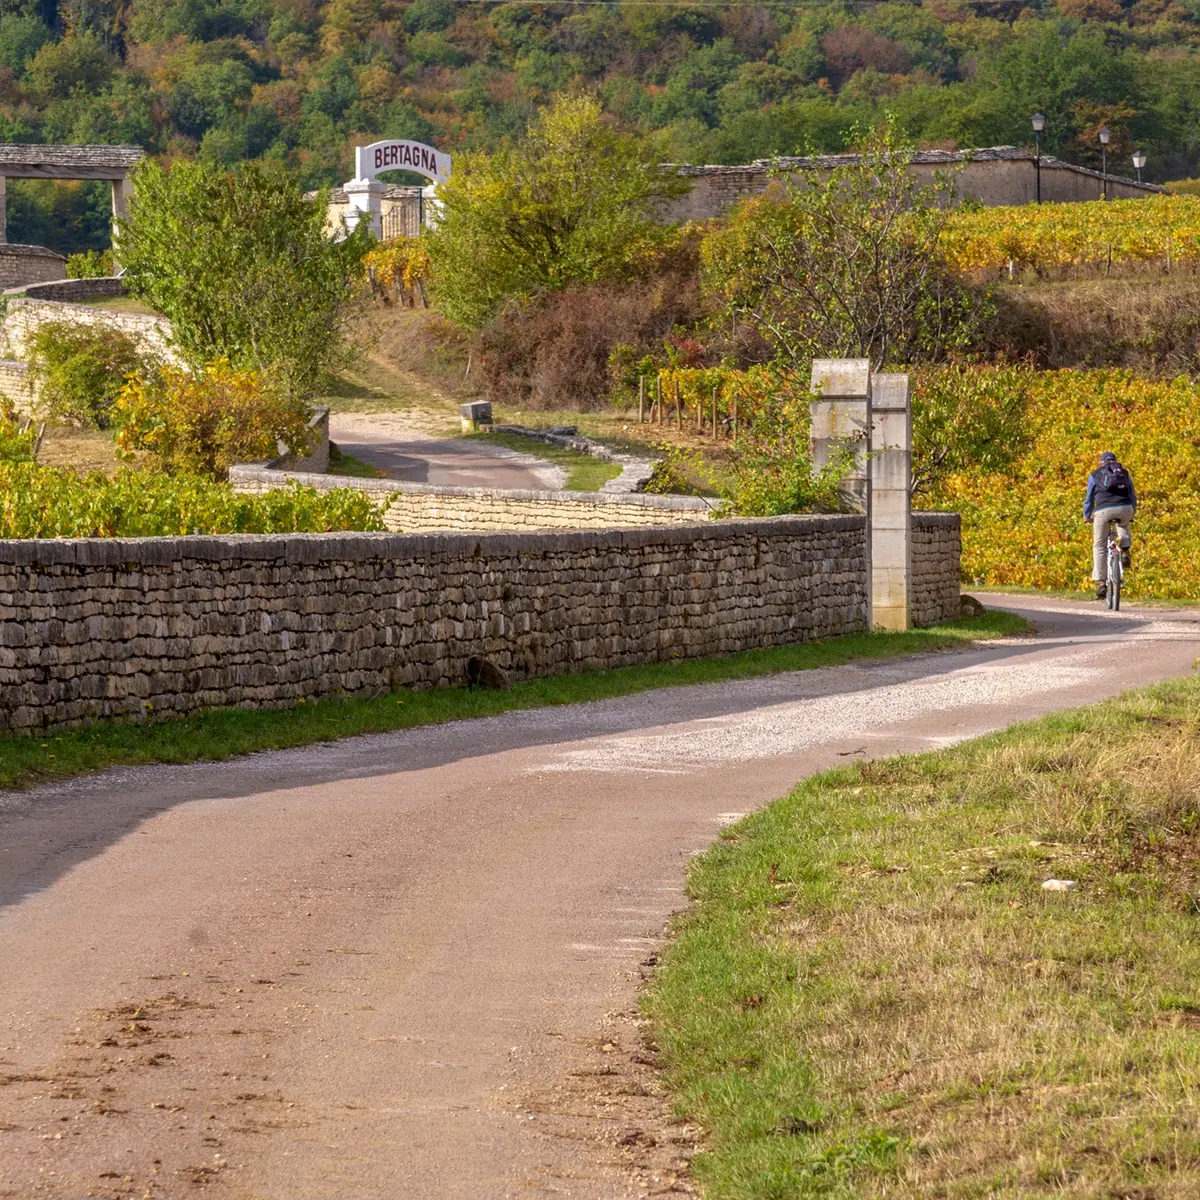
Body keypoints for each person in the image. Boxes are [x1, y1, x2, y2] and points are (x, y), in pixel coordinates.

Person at [1083, 451, 1136, 600]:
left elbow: (1089, 499)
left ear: (1101, 462)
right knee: (1123, 522)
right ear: (1115, 461)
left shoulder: (1095, 475)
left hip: (1103, 510)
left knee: (1099, 545)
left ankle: (1101, 583)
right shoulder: (1124, 473)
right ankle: (1125, 549)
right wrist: (1132, 513)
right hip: (1125, 508)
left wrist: (1087, 516)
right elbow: (1132, 495)